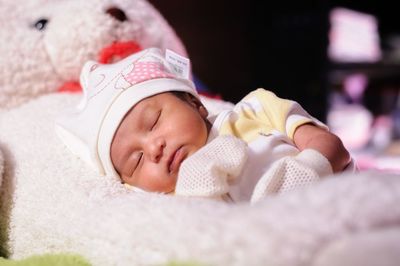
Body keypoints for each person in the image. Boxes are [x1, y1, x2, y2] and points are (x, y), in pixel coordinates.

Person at [55, 47, 354, 203]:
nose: (153, 148)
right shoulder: (166, 198)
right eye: (136, 161)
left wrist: (308, 170)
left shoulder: (254, 109)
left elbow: (334, 148)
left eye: (154, 121)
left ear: (195, 103)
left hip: (337, 204)